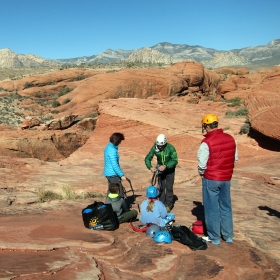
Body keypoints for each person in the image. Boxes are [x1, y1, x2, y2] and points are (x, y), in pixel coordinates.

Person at [197, 114, 238, 245]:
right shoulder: (231, 138)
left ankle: (214, 237)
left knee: (211, 207)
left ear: (207, 126)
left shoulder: (206, 142)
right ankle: (228, 236)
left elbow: (202, 164)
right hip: (226, 178)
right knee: (226, 206)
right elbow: (235, 158)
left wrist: (202, 173)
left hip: (211, 178)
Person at [145, 134, 178, 212]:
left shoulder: (170, 148)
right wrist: (150, 167)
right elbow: (147, 158)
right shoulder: (154, 148)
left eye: (161, 145)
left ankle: (169, 205)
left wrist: (166, 166)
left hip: (170, 171)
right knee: (161, 188)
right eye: (158, 145)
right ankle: (161, 204)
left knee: (169, 188)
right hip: (160, 171)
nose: (160, 147)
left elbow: (175, 160)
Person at [104, 132, 126, 198]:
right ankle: (120, 207)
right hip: (113, 175)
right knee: (119, 193)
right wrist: (121, 175)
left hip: (108, 173)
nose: (120, 143)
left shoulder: (108, 147)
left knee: (111, 192)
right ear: (117, 140)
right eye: (120, 141)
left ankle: (109, 206)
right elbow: (114, 164)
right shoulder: (112, 150)